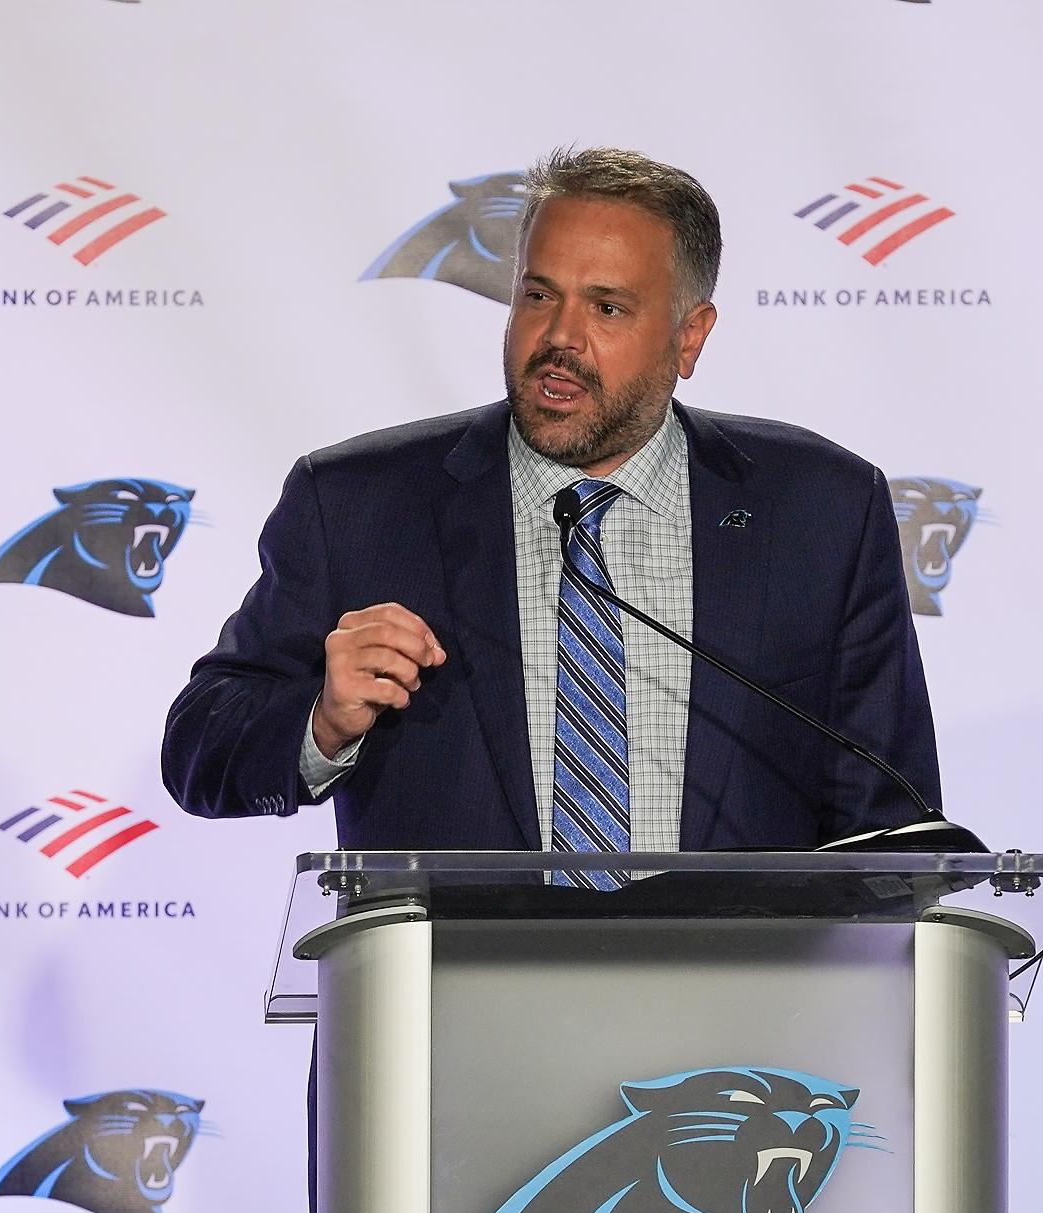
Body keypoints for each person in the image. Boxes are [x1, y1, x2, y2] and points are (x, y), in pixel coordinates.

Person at [162, 145, 939, 863]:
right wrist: (322, 722)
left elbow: (895, 825)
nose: (558, 337)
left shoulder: (818, 512)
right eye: (538, 294)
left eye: (606, 308)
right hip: (447, 1003)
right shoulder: (359, 503)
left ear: (688, 336)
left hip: (738, 999)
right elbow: (198, 751)